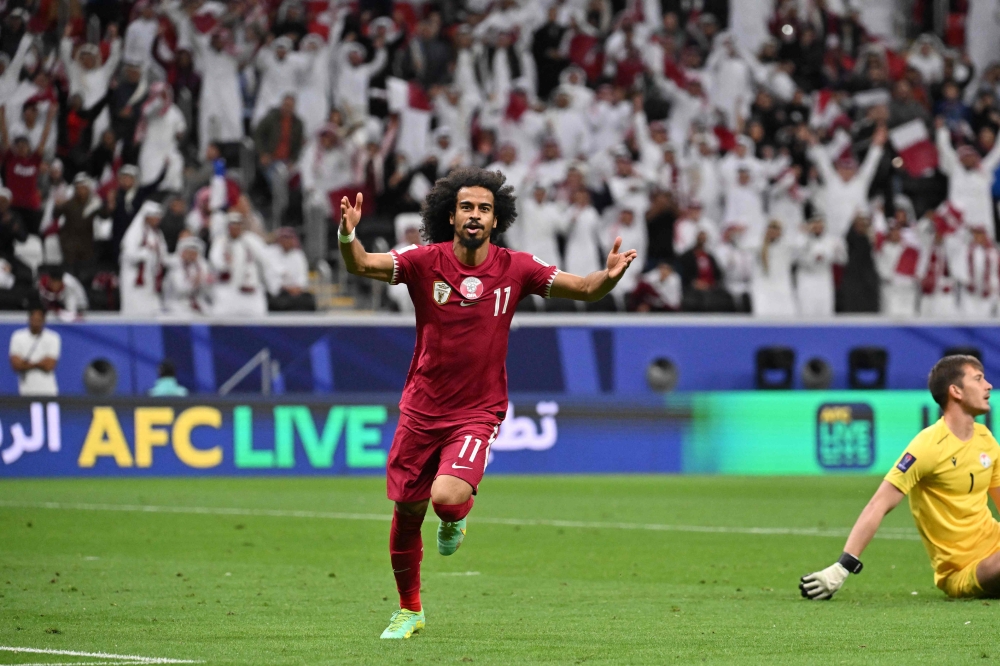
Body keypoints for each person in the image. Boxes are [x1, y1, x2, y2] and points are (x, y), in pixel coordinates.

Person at [336, 167, 637, 639]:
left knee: (446, 499)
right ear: (450, 216)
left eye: (484, 209)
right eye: (467, 208)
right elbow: (361, 265)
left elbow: (583, 289)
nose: (475, 216)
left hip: (477, 411)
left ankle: (455, 521)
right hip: (421, 407)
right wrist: (346, 234)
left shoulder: (515, 267)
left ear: (496, 220)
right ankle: (409, 610)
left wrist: (609, 277)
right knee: (409, 511)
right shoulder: (423, 261)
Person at [801, 355, 1000, 600]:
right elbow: (879, 503)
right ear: (956, 391)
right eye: (979, 379)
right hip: (964, 571)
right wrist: (843, 566)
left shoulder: (986, 439)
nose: (988, 385)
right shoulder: (928, 446)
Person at [8, 305, 61, 396]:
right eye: (34, 319)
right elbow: (16, 365)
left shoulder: (53, 337)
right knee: (32, 410)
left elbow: (49, 365)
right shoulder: (18, 336)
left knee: (52, 410)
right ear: (29, 319)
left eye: (39, 320)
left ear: (44, 320)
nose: (36, 322)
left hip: (49, 391)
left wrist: (25, 364)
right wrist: (40, 363)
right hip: (26, 391)